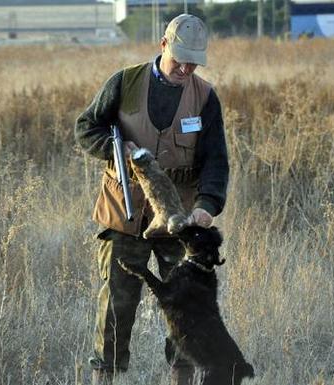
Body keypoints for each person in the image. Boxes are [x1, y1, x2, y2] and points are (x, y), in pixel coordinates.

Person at [74, 14, 229, 385]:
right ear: (163, 45)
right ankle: (104, 377)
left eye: (194, 61)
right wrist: (115, 150)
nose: (186, 67)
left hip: (178, 218)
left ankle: (181, 377)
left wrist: (207, 206)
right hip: (123, 210)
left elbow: (216, 160)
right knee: (116, 302)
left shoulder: (205, 97)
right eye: (180, 59)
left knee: (187, 306)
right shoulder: (124, 82)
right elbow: (86, 128)